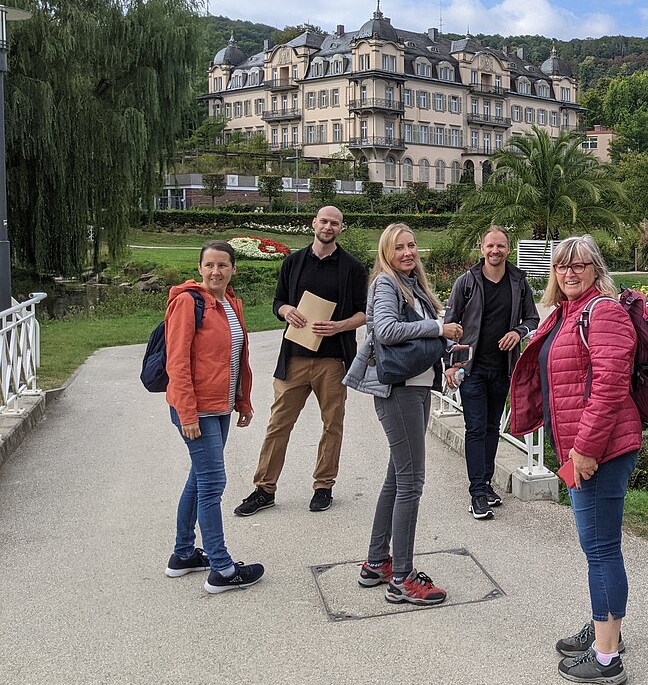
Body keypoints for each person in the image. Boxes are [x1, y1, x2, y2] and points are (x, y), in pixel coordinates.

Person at [509, 236, 640, 685]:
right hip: (581, 451)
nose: (569, 273)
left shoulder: (602, 311)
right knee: (596, 547)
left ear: (595, 268)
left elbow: (609, 386)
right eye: (561, 266)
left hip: (599, 451)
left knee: (601, 549)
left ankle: (607, 660)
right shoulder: (568, 312)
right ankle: (606, 630)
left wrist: (584, 449)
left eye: (578, 265)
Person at [348, 223, 462, 605]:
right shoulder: (385, 284)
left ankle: (377, 562)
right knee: (411, 482)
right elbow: (384, 329)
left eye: (412, 245)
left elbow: (421, 339)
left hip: (414, 389)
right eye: (399, 247)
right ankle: (402, 578)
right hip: (399, 392)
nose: (408, 252)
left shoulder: (413, 287)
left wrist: (445, 351)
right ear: (386, 252)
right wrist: (438, 327)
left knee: (397, 480)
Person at [235, 206, 367, 516]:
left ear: (341, 228)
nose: (328, 226)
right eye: (324, 221)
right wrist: (286, 311)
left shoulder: (353, 268)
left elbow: (363, 314)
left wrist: (338, 326)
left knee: (332, 425)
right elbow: (277, 302)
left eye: (335, 222)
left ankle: (323, 486)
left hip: (333, 360)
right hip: (294, 357)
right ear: (314, 223)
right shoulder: (293, 262)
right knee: (278, 424)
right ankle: (264, 489)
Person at [164, 241, 265, 594]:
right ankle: (221, 569)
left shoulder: (231, 303)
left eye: (223, 265)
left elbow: (237, 358)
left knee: (199, 479)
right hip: (197, 411)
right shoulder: (187, 303)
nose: (216, 272)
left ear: (233, 269)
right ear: (200, 268)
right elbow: (176, 363)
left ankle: (182, 555)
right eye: (209, 265)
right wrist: (188, 413)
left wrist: (243, 401)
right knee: (211, 485)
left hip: (219, 407)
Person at [444, 227, 540, 521]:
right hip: (472, 370)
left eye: (500, 246)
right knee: (475, 429)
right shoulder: (467, 282)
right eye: (490, 246)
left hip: (503, 368)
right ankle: (477, 494)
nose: (495, 251)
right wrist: (450, 363)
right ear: (482, 248)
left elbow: (532, 318)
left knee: (490, 429)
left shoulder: (518, 282)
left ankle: (485, 485)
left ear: (508, 249)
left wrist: (518, 332)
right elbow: (449, 325)